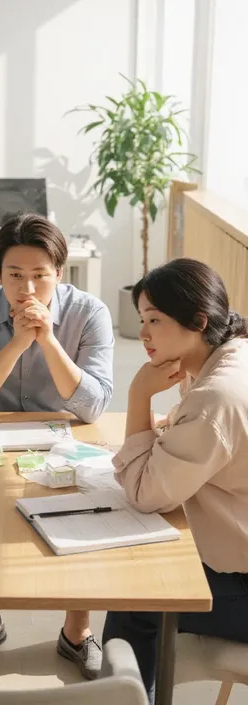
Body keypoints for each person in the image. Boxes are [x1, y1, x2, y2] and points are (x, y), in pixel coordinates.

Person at [0, 213, 114, 681]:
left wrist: (49, 339)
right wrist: (17, 344)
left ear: (60, 272)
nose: (28, 288)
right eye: (15, 275)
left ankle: (77, 630)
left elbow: (94, 407)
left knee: (90, 509)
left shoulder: (89, 312)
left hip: (68, 438)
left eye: (40, 275)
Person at [102, 258, 248, 703]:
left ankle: (121, 696)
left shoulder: (214, 397)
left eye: (154, 320)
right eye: (142, 319)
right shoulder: (231, 354)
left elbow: (146, 494)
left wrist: (138, 395)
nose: (143, 333)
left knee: (135, 600)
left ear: (198, 321)